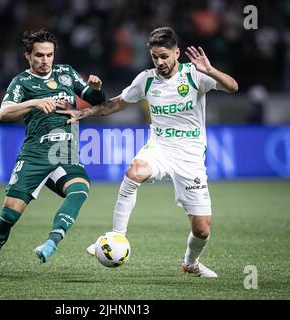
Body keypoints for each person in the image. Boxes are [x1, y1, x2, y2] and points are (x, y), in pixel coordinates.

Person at [59, 27, 238, 277]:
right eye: (155, 57)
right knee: (135, 172)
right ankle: (115, 236)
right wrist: (84, 113)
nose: (160, 62)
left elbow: (232, 87)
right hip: (160, 147)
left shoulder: (194, 75)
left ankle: (190, 263)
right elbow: (118, 102)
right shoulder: (147, 79)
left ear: (177, 53)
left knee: (202, 230)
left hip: (190, 157)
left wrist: (210, 70)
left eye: (164, 56)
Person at [0, 28, 106, 279]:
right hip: (35, 154)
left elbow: (94, 98)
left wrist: (96, 88)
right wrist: (33, 103)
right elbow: (4, 112)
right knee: (9, 215)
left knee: (80, 187)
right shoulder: (21, 82)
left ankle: (51, 242)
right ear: (28, 55)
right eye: (39, 55)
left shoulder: (66, 73)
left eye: (49, 55)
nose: (45, 61)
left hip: (63, 152)